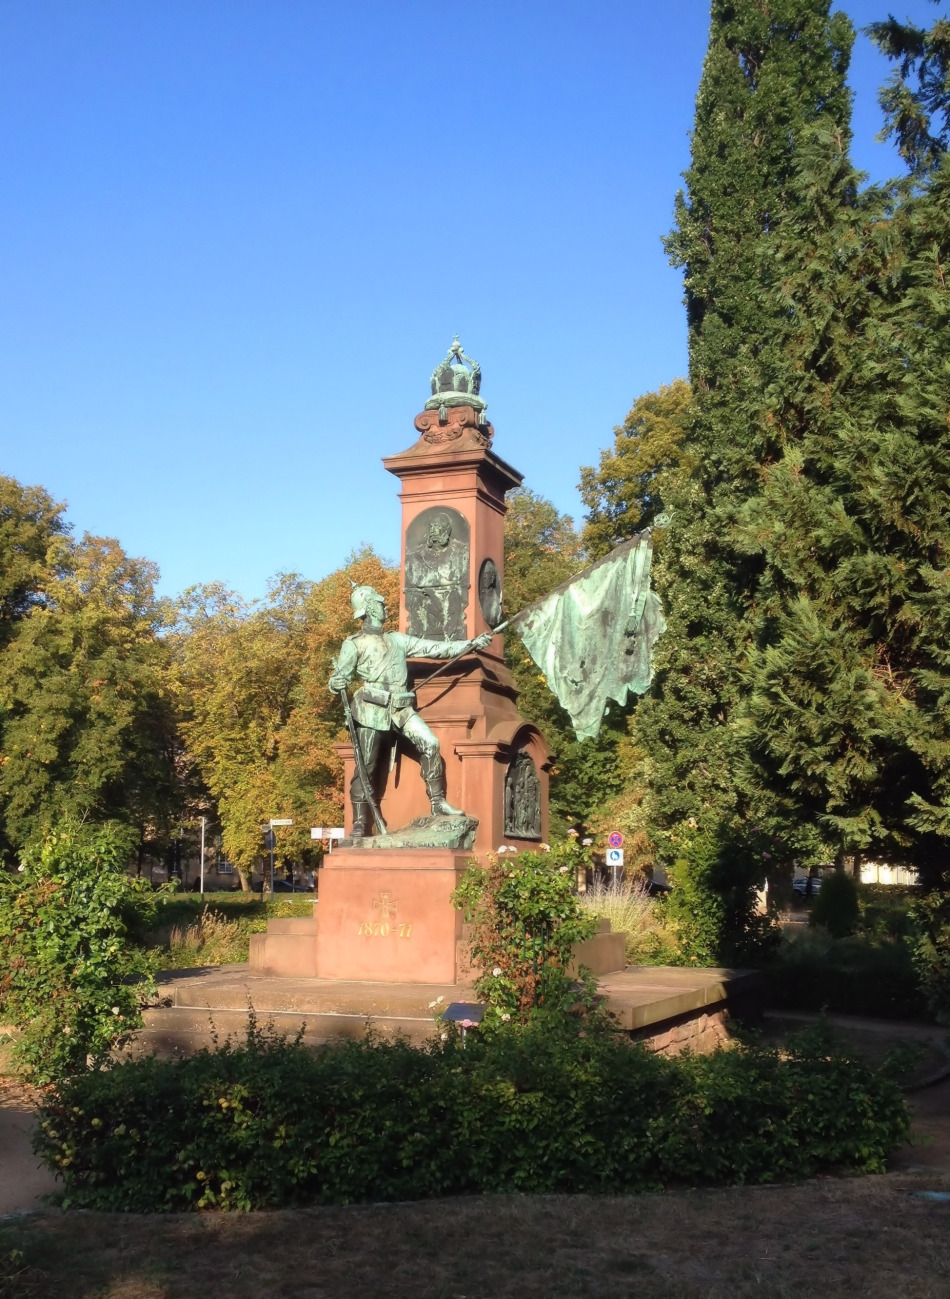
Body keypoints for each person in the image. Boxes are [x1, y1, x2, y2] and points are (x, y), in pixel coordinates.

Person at [329, 584, 491, 840]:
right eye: (380, 604)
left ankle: (437, 802)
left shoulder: (398, 639)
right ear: (370, 607)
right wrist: (335, 682)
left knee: (431, 743)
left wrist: (472, 644)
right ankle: (360, 821)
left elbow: (436, 649)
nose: (385, 607)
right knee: (366, 766)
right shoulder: (354, 643)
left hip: (402, 708)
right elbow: (341, 677)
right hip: (371, 709)